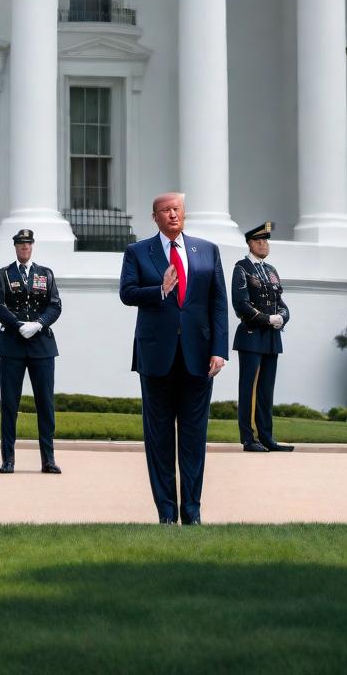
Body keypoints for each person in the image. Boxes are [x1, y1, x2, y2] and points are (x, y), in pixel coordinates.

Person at [119, 192, 228, 525]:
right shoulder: (138, 252)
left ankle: (192, 512)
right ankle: (166, 513)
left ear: (185, 213)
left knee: (194, 438)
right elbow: (127, 293)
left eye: (177, 209)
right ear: (155, 217)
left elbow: (218, 303)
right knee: (160, 438)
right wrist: (160, 291)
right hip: (156, 357)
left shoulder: (207, 250)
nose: (172, 215)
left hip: (198, 356)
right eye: (165, 211)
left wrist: (219, 350)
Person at [0, 229, 63, 474]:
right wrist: (18, 325)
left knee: (45, 403)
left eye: (28, 244)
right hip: (12, 343)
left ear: (32, 246)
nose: (24, 248)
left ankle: (48, 459)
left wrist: (39, 324)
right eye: (20, 244)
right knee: (10, 403)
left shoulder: (46, 273)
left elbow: (55, 305)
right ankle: (8, 459)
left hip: (41, 344)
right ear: (15, 247)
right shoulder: (4, 274)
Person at [232, 221, 293, 452]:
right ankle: (249, 438)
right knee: (250, 389)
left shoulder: (270, 271)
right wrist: (266, 319)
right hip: (251, 335)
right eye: (259, 241)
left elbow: (281, 303)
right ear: (249, 243)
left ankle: (267, 437)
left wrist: (283, 317)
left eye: (266, 240)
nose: (263, 244)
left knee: (266, 390)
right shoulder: (242, 268)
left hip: (271, 338)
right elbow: (241, 304)